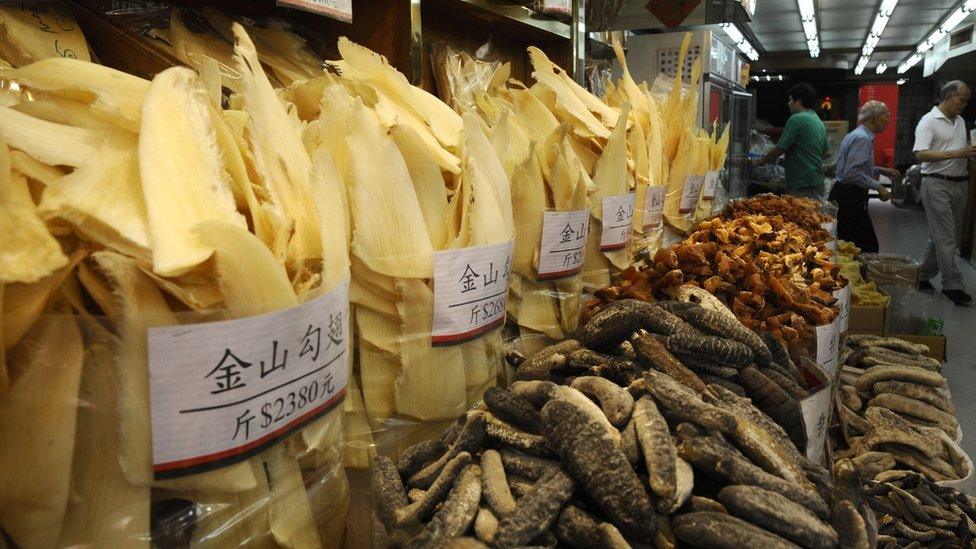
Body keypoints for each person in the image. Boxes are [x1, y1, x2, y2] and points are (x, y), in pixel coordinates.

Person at [913, 80, 976, 305]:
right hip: (937, 184)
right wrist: (957, 153)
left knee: (943, 236)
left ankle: (920, 276)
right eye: (962, 99)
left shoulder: (959, 122)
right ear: (948, 97)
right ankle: (952, 284)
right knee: (946, 237)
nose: (965, 105)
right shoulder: (928, 122)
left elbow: (960, 151)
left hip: (960, 184)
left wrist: (967, 153)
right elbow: (920, 155)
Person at [828, 101, 899, 253]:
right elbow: (851, 173)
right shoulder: (862, 139)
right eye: (886, 116)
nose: (888, 120)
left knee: (851, 244)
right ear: (876, 118)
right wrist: (879, 187)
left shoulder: (858, 134)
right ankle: (854, 275)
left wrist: (878, 170)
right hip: (850, 198)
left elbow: (852, 168)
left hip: (846, 195)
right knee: (865, 246)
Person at [755, 83, 830, 200]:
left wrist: (760, 162)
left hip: (802, 184)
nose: (788, 103)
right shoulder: (817, 120)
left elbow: (780, 149)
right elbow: (826, 153)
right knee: (815, 217)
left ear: (798, 101)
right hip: (817, 182)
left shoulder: (796, 119)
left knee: (798, 216)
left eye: (790, 100)